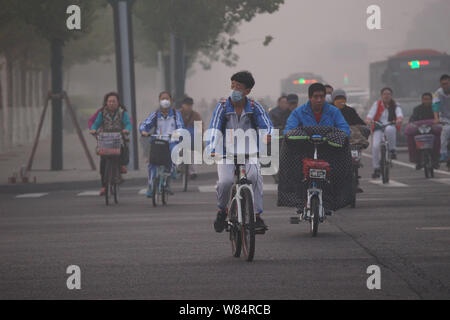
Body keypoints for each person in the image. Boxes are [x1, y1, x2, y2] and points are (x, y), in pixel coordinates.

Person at [207, 71, 273, 233]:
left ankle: (256, 215)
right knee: (226, 182)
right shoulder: (222, 106)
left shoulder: (254, 106)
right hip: (226, 153)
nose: (234, 90)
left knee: (255, 177)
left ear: (247, 91)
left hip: (250, 152)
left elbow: (266, 124)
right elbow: (214, 128)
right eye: (232, 85)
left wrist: (268, 136)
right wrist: (211, 147)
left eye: (238, 87)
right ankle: (222, 211)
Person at [139, 91, 184, 197]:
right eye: (163, 99)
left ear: (171, 101)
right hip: (157, 141)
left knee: (173, 154)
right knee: (152, 165)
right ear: (159, 101)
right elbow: (144, 124)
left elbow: (180, 125)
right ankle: (151, 187)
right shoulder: (155, 114)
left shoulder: (176, 114)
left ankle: (171, 174)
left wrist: (179, 134)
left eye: (167, 98)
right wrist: (144, 131)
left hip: (172, 141)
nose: (165, 101)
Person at [89, 92, 131, 196]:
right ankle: (104, 186)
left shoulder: (122, 113)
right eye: (109, 101)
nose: (111, 103)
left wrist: (126, 130)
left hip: (119, 137)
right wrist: (93, 130)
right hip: (105, 139)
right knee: (103, 162)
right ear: (106, 102)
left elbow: (128, 124)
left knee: (124, 149)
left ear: (118, 103)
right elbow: (96, 123)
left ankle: (122, 165)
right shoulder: (102, 113)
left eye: (114, 101)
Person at [284, 83, 350, 135]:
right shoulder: (298, 113)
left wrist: (334, 135)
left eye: (321, 96)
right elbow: (288, 131)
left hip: (330, 149)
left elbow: (345, 129)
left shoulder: (334, 112)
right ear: (309, 97)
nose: (319, 100)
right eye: (316, 96)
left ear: (325, 97)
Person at [365, 87, 403, 178]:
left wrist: (399, 119)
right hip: (378, 127)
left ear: (391, 95)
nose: (386, 96)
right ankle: (376, 168)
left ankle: (392, 150)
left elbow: (399, 114)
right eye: (384, 94)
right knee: (375, 146)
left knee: (390, 129)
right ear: (381, 95)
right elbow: (370, 115)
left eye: (388, 94)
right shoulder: (377, 104)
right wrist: (368, 120)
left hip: (390, 124)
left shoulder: (395, 104)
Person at [405, 93, 441, 169]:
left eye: (428, 99)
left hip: (432, 130)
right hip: (420, 130)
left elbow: (439, 118)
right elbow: (413, 119)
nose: (426, 101)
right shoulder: (417, 109)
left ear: (431, 100)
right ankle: (417, 160)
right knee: (412, 138)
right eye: (424, 99)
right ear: (422, 100)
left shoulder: (436, 109)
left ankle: (436, 159)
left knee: (439, 137)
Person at [180, 96, 204, 179]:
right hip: (180, 137)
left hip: (191, 139)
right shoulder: (178, 114)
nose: (189, 106)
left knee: (193, 153)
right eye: (187, 105)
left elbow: (200, 127)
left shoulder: (196, 115)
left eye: (190, 105)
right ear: (183, 105)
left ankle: (192, 172)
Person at [433, 74, 450, 162]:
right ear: (440, 84)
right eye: (443, 84)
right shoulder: (437, 93)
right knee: (445, 131)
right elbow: (435, 106)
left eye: (446, 83)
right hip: (445, 118)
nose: (445, 86)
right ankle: (443, 153)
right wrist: (436, 118)